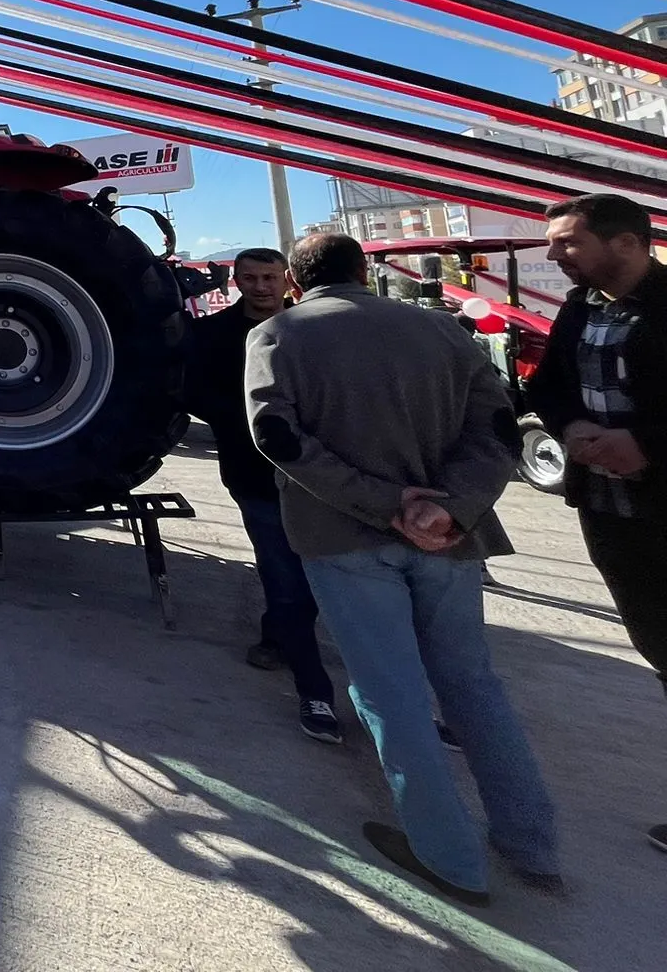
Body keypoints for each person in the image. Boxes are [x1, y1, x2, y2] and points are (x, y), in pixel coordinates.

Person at [247, 232, 560, 903]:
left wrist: (387, 506)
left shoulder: (277, 336)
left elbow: (276, 438)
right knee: (474, 686)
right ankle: (531, 844)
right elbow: (499, 430)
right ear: (365, 271)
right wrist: (449, 508)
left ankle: (449, 859)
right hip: (448, 541)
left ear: (296, 282)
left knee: (392, 697)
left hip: (343, 539)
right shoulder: (440, 330)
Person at [526, 192, 667, 855]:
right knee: (659, 647)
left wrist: (649, 445)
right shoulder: (582, 307)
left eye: (568, 242)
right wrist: (574, 425)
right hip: (612, 515)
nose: (553, 255)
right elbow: (548, 385)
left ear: (629, 244)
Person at [185, 248, 340, 739]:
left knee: (320, 561)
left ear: (286, 279)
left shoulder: (313, 329)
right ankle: (283, 642)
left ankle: (291, 631)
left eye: (269, 277)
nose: (260, 286)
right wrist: (251, 422)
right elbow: (194, 393)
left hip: (320, 472)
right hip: (253, 470)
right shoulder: (210, 335)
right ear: (236, 281)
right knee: (278, 561)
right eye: (249, 278)